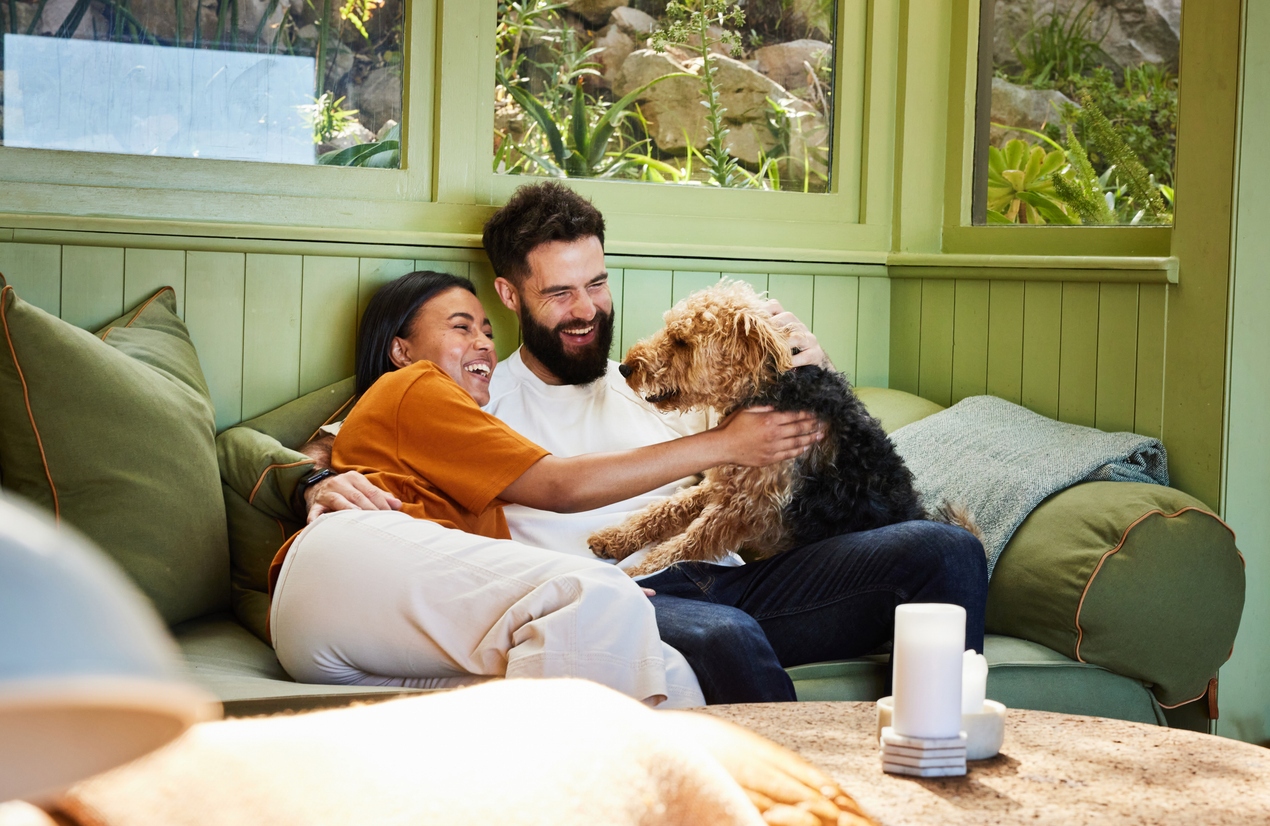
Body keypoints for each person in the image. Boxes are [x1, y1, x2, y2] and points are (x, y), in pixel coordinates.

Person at [305, 182, 989, 704]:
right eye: (560, 293)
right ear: (511, 296)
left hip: (729, 580)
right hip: (615, 601)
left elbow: (808, 453)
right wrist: (314, 481)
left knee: (947, 550)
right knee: (725, 636)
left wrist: (811, 371)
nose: (585, 310)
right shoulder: (475, 391)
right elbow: (334, 444)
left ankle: (947, 756)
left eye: (597, 283)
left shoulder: (665, 382)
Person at [269, 269, 823, 708]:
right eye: (461, 328)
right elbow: (557, 485)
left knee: (670, 675)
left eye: (487, 332)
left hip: (367, 634)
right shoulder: (415, 386)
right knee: (600, 598)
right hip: (351, 577)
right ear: (401, 351)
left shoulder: (449, 426)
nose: (484, 344)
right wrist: (727, 444)